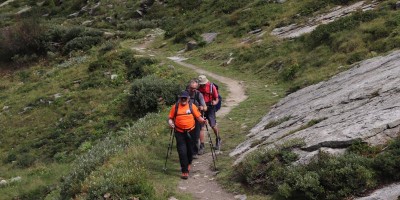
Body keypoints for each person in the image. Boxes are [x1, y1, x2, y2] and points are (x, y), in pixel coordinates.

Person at [168, 90, 207, 179]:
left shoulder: (192, 106)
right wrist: (170, 123)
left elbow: (198, 117)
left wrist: (203, 121)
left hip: (191, 132)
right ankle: (184, 171)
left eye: (185, 98)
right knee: (182, 152)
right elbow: (170, 118)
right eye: (182, 98)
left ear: (188, 99)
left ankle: (189, 163)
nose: (183, 100)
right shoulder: (175, 107)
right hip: (179, 132)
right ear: (180, 99)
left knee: (190, 151)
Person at [197, 75, 221, 150]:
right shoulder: (198, 89)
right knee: (201, 127)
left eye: (203, 84)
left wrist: (215, 102)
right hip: (201, 107)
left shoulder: (211, 87)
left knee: (213, 125)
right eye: (201, 84)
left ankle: (218, 139)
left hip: (210, 107)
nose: (202, 85)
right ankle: (202, 146)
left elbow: (217, 98)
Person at [186, 79, 207, 157]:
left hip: (197, 117)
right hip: (187, 117)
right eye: (191, 88)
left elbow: (205, 108)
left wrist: (202, 108)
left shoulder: (199, 95)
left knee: (196, 135)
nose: (193, 90)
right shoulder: (185, 94)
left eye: (195, 88)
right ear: (188, 87)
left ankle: (195, 151)